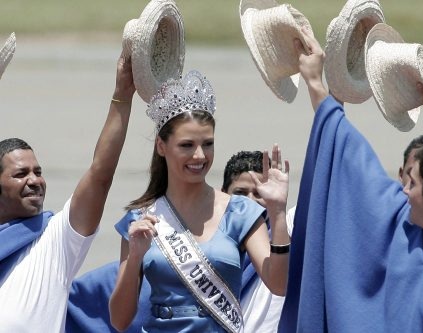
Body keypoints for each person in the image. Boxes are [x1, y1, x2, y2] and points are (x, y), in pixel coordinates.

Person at [278, 28, 423, 332]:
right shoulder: (406, 234)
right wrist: (316, 83)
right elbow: (351, 159)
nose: (403, 190)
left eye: (413, 184)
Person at [109, 70, 290, 333]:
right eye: (186, 145)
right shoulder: (141, 219)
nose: (199, 155)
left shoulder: (239, 211)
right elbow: (119, 319)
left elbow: (278, 283)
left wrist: (279, 213)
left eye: (207, 144)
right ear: (162, 146)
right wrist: (136, 255)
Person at [0, 48, 135, 332]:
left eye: (38, 172)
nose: (35, 180)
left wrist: (122, 95)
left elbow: (100, 175)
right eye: (21, 174)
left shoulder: (55, 240)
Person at [222, 150, 294, 333]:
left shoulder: (288, 232)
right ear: (223, 195)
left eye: (259, 193)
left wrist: (278, 210)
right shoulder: (206, 244)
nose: (250, 201)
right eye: (240, 192)